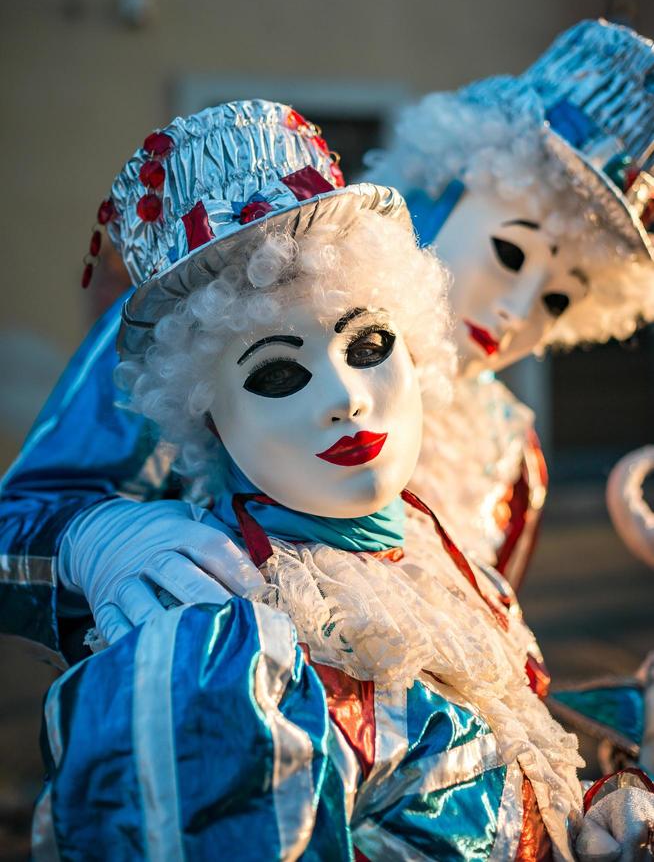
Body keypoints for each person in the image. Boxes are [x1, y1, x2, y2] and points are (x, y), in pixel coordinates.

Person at [32, 101, 654, 860]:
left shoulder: (462, 539)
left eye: (370, 345)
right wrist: (86, 536)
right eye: (280, 372)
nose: (346, 397)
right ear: (206, 414)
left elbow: (492, 745)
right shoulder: (218, 654)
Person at [365, 19, 654, 586]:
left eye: (557, 299)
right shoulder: (241, 351)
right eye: (510, 253)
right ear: (435, 188)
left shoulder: (507, 457)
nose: (519, 314)